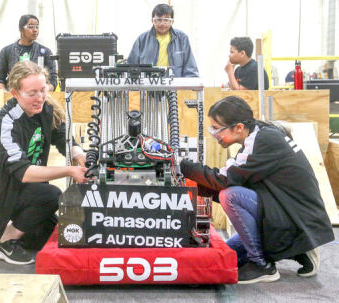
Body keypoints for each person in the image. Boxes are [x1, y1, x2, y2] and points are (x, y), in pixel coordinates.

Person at [180, 96, 334, 284]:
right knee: (231, 257)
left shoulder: (263, 140)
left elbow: (226, 180)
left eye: (217, 129)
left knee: (230, 196)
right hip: (289, 212)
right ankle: (301, 249)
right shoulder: (260, 135)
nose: (214, 134)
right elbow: (237, 178)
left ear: (238, 127)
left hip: (292, 215)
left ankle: (262, 266)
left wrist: (184, 166)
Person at [0, 61, 88, 265]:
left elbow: (65, 140)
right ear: (15, 93)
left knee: (44, 236)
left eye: (42, 90)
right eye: (32, 93)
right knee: (51, 195)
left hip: (21, 189)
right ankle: (3, 239)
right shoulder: (2, 123)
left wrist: (80, 156)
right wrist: (69, 170)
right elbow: (24, 173)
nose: (39, 98)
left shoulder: (46, 110)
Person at [127, 3, 198, 77]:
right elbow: (131, 66)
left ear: (172, 22)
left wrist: (192, 84)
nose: (162, 23)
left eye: (166, 20)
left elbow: (190, 67)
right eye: (158, 19)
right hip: (148, 86)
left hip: (174, 86)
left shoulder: (182, 38)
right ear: (152, 21)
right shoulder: (142, 39)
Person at [0, 14, 57, 91]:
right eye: (30, 26)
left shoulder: (45, 52)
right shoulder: (6, 51)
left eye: (37, 27)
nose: (35, 30)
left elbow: (53, 80)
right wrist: (6, 94)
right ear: (21, 29)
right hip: (13, 95)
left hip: (38, 97)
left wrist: (42, 91)